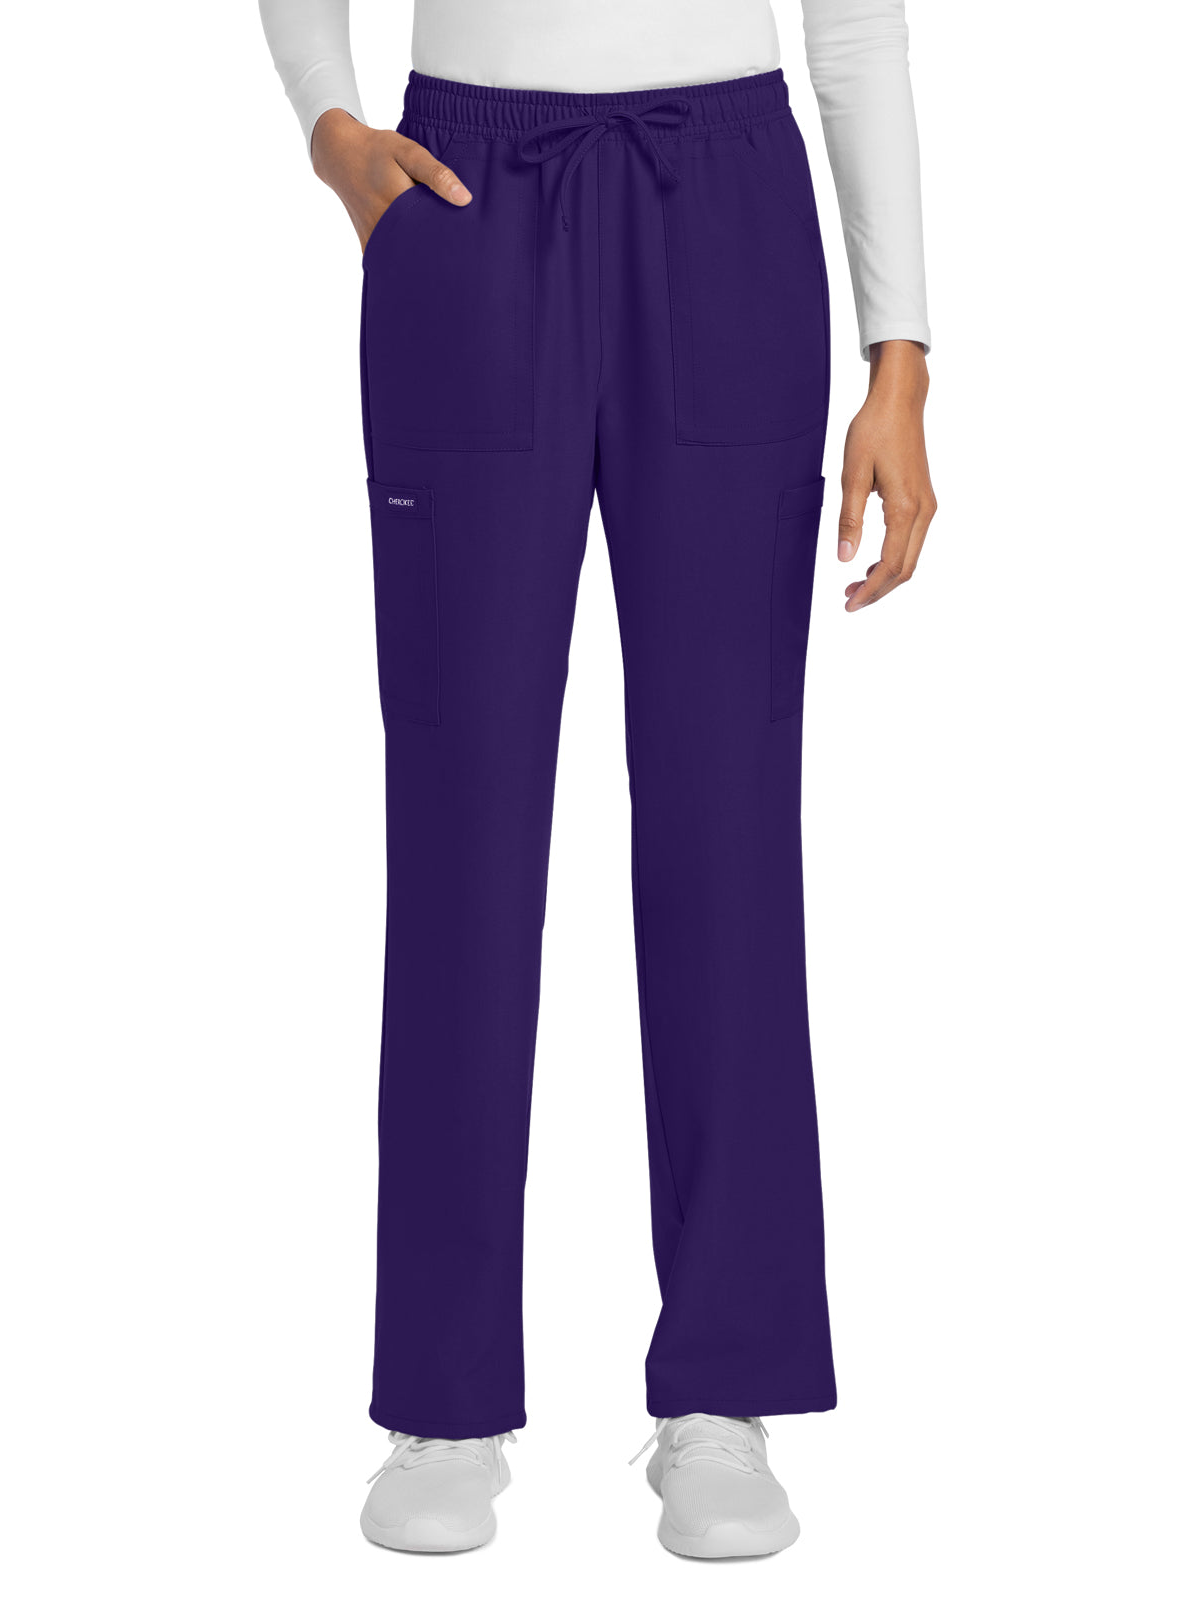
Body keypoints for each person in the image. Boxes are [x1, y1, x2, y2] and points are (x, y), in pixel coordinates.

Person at [259, 0, 935, 1560]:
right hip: (462, 197)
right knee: (460, 825)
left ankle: (726, 1392)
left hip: (731, 201)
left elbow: (856, 29)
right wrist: (328, 124)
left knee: (728, 825)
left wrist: (899, 353)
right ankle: (442, 1401)